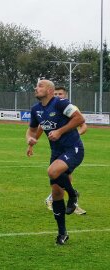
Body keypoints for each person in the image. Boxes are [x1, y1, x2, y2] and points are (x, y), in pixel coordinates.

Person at [26, 79, 85, 245]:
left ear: (50, 91)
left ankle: (73, 194)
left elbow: (79, 119)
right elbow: (32, 130)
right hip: (56, 153)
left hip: (73, 149)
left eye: (40, 86)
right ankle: (62, 233)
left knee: (52, 172)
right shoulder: (36, 109)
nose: (36, 88)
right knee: (57, 192)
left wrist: (59, 131)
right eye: (36, 85)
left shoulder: (61, 103)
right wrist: (30, 141)